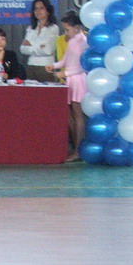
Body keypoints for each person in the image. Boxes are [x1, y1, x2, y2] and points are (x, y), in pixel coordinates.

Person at [45, 10, 88, 162]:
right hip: (70, 79)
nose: (65, 33)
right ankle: (75, 146)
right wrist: (54, 66)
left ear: (76, 28)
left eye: (67, 30)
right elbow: (65, 60)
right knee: (70, 114)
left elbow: (83, 66)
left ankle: (78, 150)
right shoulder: (72, 40)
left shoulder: (83, 42)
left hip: (78, 80)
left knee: (77, 114)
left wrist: (65, 73)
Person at [20, 0, 60, 82]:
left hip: (46, 67)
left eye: (41, 8)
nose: (38, 11)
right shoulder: (31, 28)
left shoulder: (53, 28)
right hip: (31, 65)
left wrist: (31, 45)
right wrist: (40, 46)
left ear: (48, 11)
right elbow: (23, 49)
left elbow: (48, 50)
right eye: (36, 9)